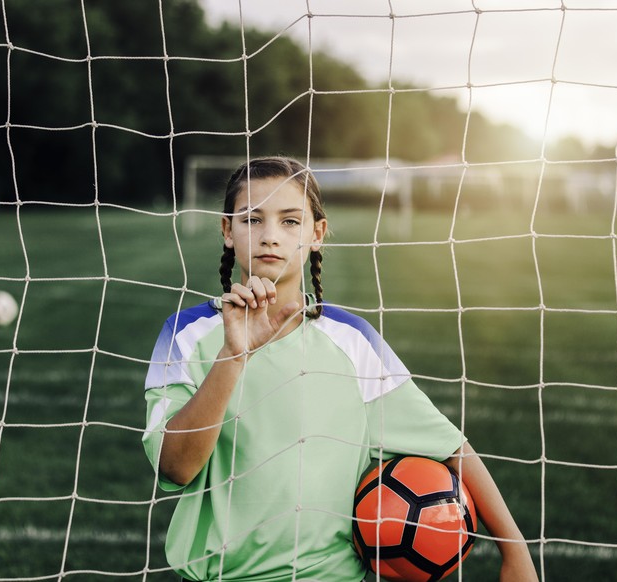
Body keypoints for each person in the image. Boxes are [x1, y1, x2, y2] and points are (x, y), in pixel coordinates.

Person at [142, 157, 537, 581]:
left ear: (317, 234)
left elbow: (451, 447)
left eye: (290, 221)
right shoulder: (186, 335)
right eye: (252, 219)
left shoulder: (352, 341)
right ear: (227, 231)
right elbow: (174, 468)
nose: (270, 235)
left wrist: (515, 553)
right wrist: (233, 356)